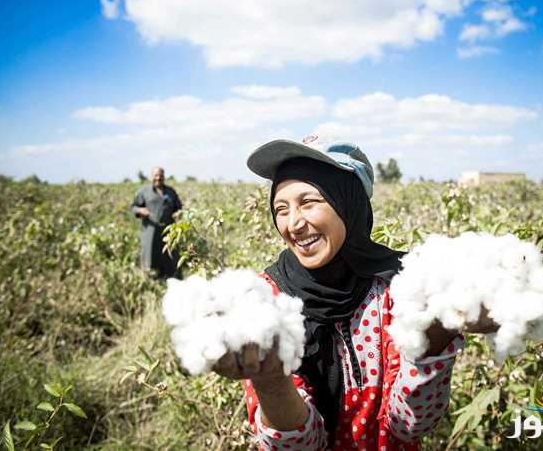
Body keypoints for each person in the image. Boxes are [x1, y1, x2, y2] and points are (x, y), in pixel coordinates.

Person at [212, 137, 498, 450]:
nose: (293, 223)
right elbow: (297, 447)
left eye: (309, 203)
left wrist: (438, 332)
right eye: (281, 209)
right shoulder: (266, 298)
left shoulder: (400, 285)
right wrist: (270, 380)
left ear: (348, 202)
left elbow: (409, 425)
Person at [131, 166, 183, 279]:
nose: (158, 178)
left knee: (169, 256)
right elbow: (134, 207)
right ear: (151, 177)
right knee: (150, 257)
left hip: (168, 231)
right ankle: (151, 280)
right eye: (156, 175)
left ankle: (169, 277)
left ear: (164, 177)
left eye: (160, 175)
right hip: (150, 232)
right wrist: (140, 210)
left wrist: (178, 215)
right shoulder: (143, 191)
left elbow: (179, 208)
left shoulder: (170, 192)